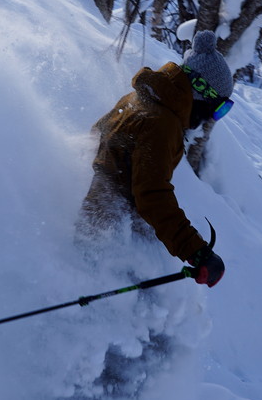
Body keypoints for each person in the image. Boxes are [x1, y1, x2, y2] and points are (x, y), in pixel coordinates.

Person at [77, 30, 231, 287]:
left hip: (105, 217)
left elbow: (97, 136)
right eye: (218, 109)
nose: (210, 119)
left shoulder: (140, 99)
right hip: (106, 230)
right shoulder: (162, 122)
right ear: (201, 92)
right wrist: (197, 252)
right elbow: (152, 194)